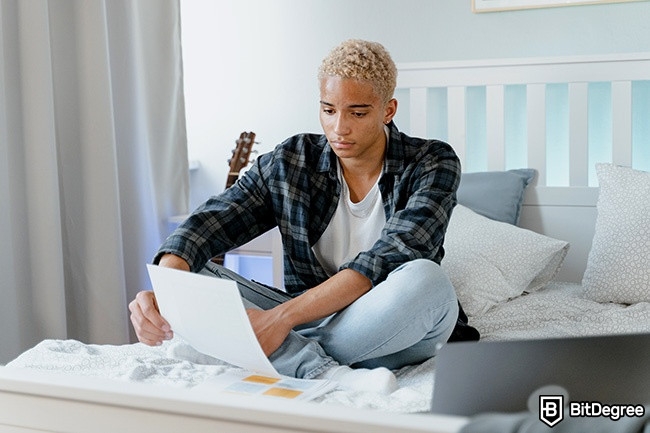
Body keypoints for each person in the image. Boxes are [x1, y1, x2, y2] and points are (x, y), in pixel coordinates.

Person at [129, 39, 478, 394]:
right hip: (310, 313)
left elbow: (390, 256)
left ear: (388, 110)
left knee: (427, 280)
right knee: (192, 274)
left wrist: (278, 320)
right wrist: (164, 291)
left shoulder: (432, 162)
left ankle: (247, 352)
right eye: (328, 110)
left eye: (357, 113)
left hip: (392, 325)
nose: (339, 128)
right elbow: (210, 222)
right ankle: (321, 370)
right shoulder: (291, 161)